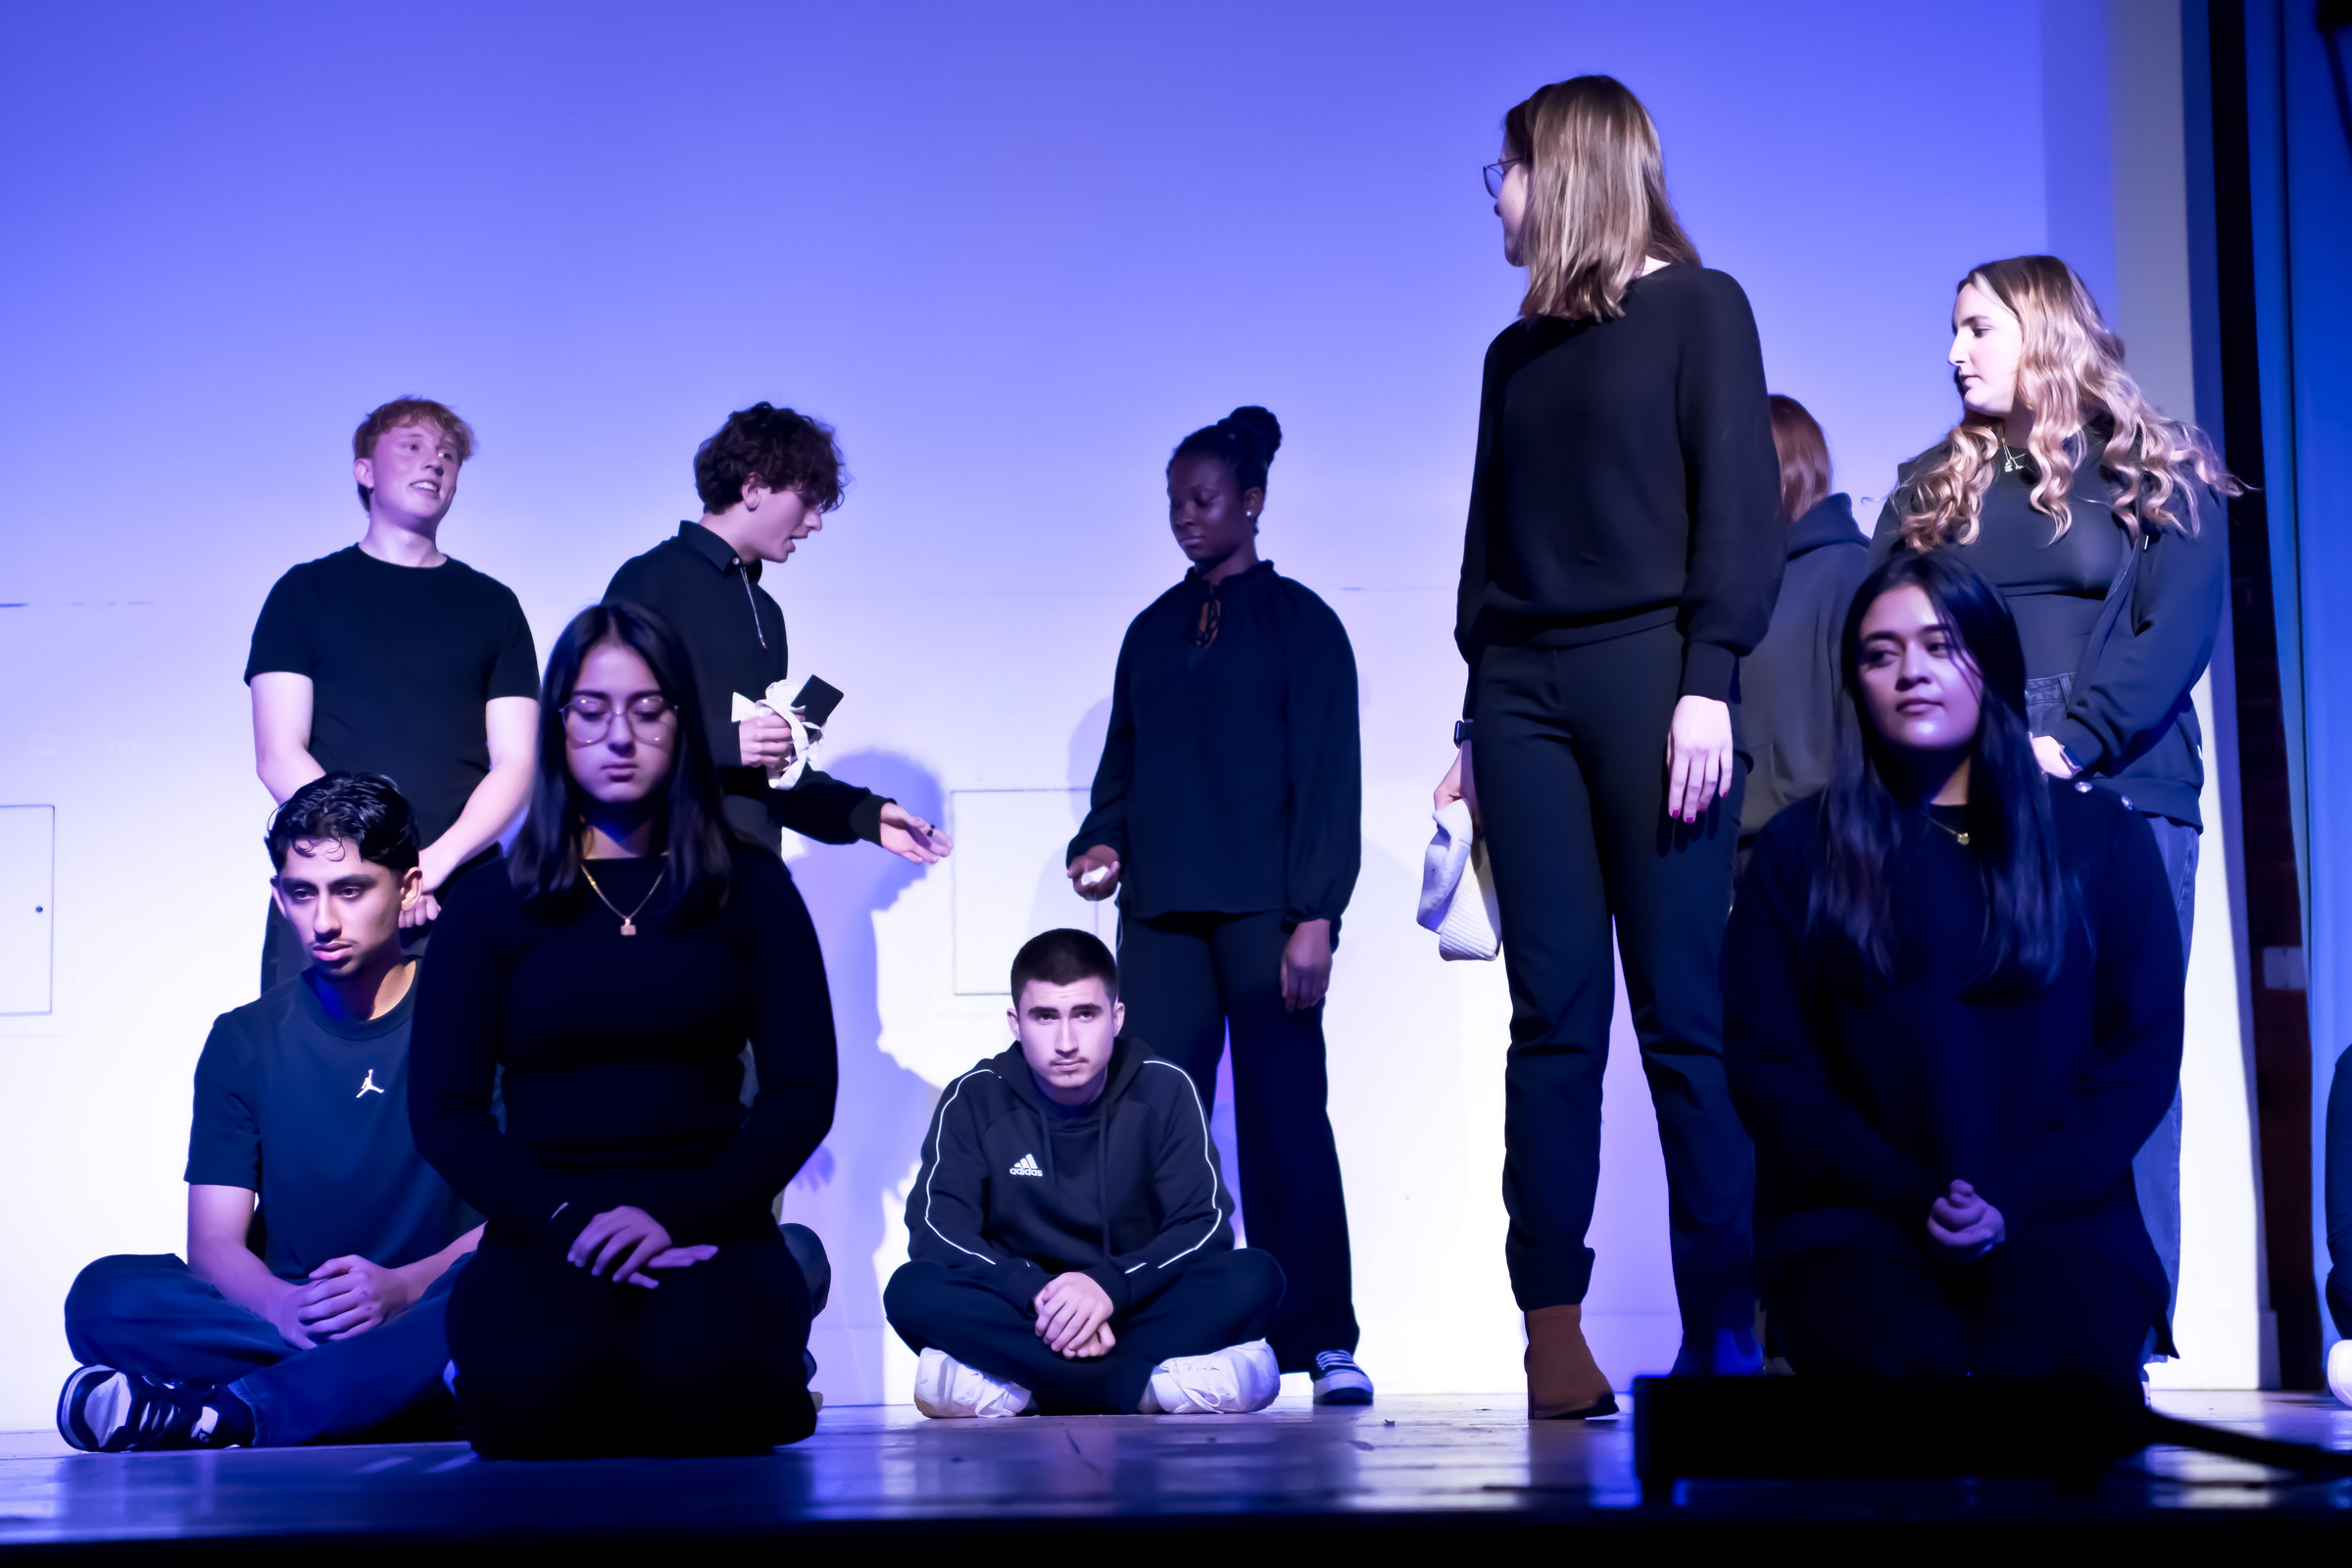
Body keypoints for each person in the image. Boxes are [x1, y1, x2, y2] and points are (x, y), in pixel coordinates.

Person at [1437, 75, 1783, 1417]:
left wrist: (1708, 680)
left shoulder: (1702, 308)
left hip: (1656, 678)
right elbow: (1486, 557)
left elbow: (1737, 513)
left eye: (1509, 170)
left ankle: (1724, 1331)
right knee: (1552, 1020)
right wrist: (1473, 723)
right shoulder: (1511, 355)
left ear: (1570, 170)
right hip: (1521, 692)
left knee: (1686, 1021)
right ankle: (1553, 1330)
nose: (1499, 199)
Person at [1869, 255, 2239, 1313]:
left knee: (2125, 1061)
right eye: (1953, 330)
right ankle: (1982, 1313)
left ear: (2044, 331)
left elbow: (2176, 633)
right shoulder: (1930, 485)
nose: (1955, 352)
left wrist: (2068, 746)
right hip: (1964, 804)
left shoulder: (2156, 470)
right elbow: (1880, 634)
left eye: (1977, 328)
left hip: (2124, 793)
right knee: (1975, 1056)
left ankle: (2122, 1319)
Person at [1725, 551, 2182, 1386]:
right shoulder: (1799, 851)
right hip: (1857, 1228)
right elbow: (1771, 1069)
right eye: (1881, 653)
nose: (1912, 672)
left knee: (2042, 1378)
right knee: (1902, 1378)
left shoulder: (2100, 838)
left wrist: (2017, 1197)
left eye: (1941, 646)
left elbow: (2138, 1058)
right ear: (1855, 681)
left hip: (2061, 1225)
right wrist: (1907, 1194)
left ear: (1992, 658)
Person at [408, 603, 837, 1457]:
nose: (619, 736)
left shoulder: (751, 888)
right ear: (558, 725)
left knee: (705, 1387)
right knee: (534, 1400)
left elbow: (802, 1092)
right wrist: (566, 1220)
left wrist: (679, 1214)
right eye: (592, 710)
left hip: (711, 1217)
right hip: (547, 1225)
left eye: (647, 709)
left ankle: (769, 1369)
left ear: (681, 721)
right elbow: (444, 1111)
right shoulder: (492, 902)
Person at [1064, 407, 1370, 1405]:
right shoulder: (1151, 629)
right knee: (1156, 1126)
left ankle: (1321, 1336)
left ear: (1252, 501)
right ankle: (1169, 1328)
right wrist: (1100, 842)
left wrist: (1317, 914)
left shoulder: (1302, 625)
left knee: (1286, 1121)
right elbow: (1123, 768)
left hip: (1266, 915)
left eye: (1203, 500)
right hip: (1161, 918)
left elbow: (1328, 779)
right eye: (1174, 502)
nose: (1186, 517)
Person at [58, 774, 483, 1451]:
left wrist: (402, 1289)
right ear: (279, 896)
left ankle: (234, 1412)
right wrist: (284, 1308)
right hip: (296, 1319)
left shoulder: (477, 1016)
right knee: (106, 1297)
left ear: (407, 889)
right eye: (302, 893)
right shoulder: (243, 1038)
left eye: (351, 890)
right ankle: (384, 1393)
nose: (324, 921)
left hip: (427, 1299)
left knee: (510, 1282)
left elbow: (523, 1215)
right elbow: (214, 1244)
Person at [884, 929, 1287, 1417]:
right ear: (1016, 1023)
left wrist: (1109, 1287)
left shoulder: (1164, 1087)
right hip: (1024, 1308)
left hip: (1128, 1303)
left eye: (1085, 1014)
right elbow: (937, 1230)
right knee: (911, 1291)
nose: (1066, 1042)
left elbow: (1203, 1225)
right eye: (1045, 1017)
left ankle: (1022, 1388)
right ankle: (1146, 1389)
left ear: (1116, 1018)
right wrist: (1037, 1293)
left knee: (1255, 1279)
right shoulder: (974, 1097)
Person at [247, 398, 539, 993]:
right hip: (333, 891)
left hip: (457, 885)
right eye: (412, 446)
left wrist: (431, 865)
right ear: (364, 470)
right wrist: (376, 864)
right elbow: (278, 753)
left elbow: (517, 762)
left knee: (467, 1047)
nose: (434, 462)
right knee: (312, 1048)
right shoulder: (304, 592)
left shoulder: (493, 605)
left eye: (448, 455)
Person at [605, 402, 950, 866]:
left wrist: (865, 815)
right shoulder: (650, 580)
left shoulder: (766, 612)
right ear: (753, 489)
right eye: (807, 501)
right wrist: (728, 743)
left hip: (750, 880)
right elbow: (606, 732)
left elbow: (769, 779)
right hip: (661, 875)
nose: (816, 521)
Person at [1738, 395, 1870, 866]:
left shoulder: (1853, 572)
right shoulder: (1728, 585)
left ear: (1785, 469)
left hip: (1822, 854)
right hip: (1725, 857)